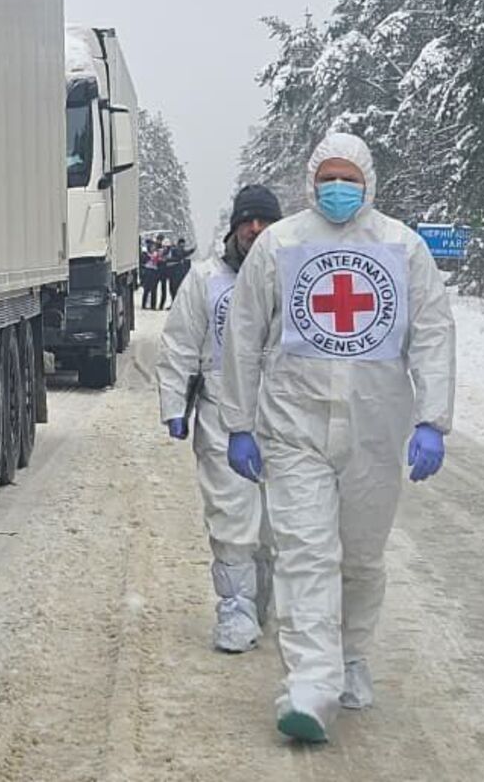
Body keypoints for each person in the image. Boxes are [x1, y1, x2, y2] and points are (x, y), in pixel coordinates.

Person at [218, 133, 455, 744]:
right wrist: (238, 424)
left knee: (361, 556)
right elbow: (243, 337)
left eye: (350, 177)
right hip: (294, 426)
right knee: (305, 554)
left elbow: (431, 332)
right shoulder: (281, 243)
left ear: (369, 180)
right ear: (310, 180)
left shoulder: (402, 248)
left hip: (376, 430)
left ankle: (350, 654)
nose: (339, 187)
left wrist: (433, 418)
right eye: (329, 176)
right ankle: (309, 684)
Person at [158, 184, 284, 654]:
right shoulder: (206, 279)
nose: (255, 230)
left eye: (265, 222)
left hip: (286, 415)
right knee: (232, 516)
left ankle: (263, 600)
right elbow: (179, 343)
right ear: (234, 227)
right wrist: (175, 404)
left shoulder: (292, 278)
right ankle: (235, 607)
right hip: (221, 416)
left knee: (278, 519)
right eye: (248, 221)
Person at [140, 239, 163, 311]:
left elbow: (160, 262)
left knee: (154, 289)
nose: (153, 248)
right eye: (152, 247)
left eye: (154, 247)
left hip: (155, 271)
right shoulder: (145, 253)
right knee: (146, 289)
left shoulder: (157, 254)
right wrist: (149, 258)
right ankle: (144, 305)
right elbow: (143, 261)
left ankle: (153, 305)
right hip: (148, 271)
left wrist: (158, 259)